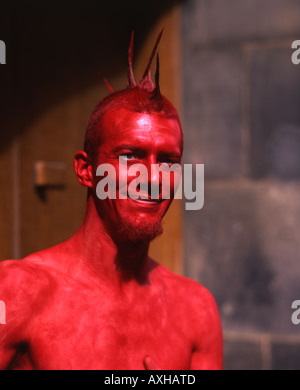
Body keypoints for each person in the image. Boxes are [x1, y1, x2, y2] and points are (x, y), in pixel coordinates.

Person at [0, 31, 223, 370]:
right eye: (130, 156)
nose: (152, 178)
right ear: (86, 171)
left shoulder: (196, 310)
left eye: (167, 161)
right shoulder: (16, 292)